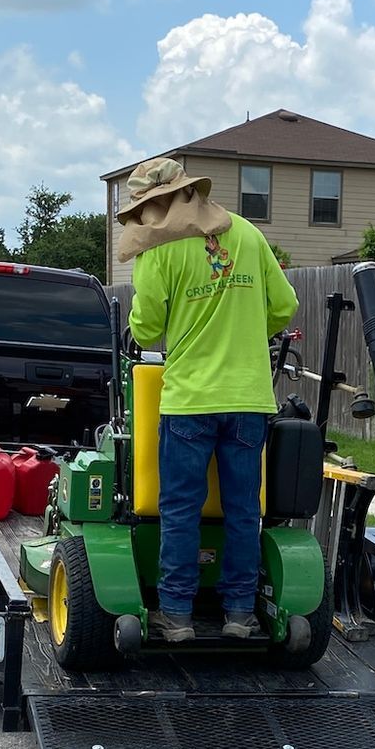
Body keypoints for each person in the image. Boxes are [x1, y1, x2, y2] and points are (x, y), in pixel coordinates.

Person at [122, 156, 298, 642]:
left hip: (190, 401)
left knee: (181, 508)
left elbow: (148, 328)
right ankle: (240, 612)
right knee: (245, 509)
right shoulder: (248, 234)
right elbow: (284, 307)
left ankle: (176, 615)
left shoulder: (158, 251)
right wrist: (242, 335)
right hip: (248, 400)